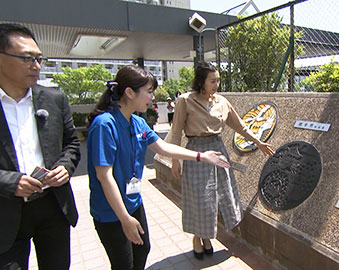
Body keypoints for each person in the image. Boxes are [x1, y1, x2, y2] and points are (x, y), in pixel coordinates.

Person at [86, 65, 230, 270]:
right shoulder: (104, 125)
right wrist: (125, 219)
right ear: (129, 92)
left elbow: (163, 147)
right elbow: (104, 176)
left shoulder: (137, 122)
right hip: (111, 212)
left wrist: (201, 156)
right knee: (123, 263)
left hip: (133, 202)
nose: (152, 97)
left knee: (142, 250)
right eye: (149, 92)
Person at [169, 62, 274, 260]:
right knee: (199, 199)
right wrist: (175, 160)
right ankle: (197, 238)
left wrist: (259, 142)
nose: (216, 84)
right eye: (212, 81)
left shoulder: (222, 102)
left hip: (217, 150)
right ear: (201, 81)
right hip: (196, 153)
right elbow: (176, 132)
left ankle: (207, 237)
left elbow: (241, 127)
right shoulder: (185, 101)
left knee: (216, 197)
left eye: (218, 80)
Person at [0, 23, 81, 269]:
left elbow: (72, 145)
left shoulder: (55, 98)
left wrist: (65, 167)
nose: (36, 66)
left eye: (39, 58)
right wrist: (10, 182)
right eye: (27, 59)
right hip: (6, 215)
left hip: (53, 205)